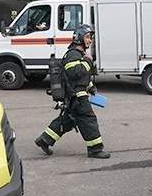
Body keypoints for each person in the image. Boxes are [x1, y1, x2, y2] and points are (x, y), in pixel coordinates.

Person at [34, 24, 110, 159]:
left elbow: (81, 77)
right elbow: (75, 73)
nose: (90, 40)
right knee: (88, 120)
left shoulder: (79, 54)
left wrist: (90, 86)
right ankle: (95, 149)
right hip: (77, 97)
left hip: (76, 96)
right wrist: (88, 61)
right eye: (87, 37)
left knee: (68, 119)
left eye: (91, 38)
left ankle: (45, 139)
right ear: (79, 38)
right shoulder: (73, 54)